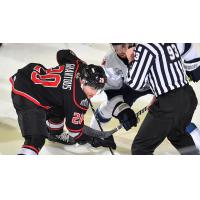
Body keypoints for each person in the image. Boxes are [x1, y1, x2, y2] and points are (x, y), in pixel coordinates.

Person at [10, 49, 107, 155]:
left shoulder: (79, 64)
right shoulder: (77, 99)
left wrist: (70, 70)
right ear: (83, 81)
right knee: (36, 140)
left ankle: (55, 133)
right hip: (27, 94)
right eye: (93, 87)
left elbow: (62, 53)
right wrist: (92, 140)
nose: (94, 92)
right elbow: (75, 132)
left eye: (98, 88)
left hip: (30, 73)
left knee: (61, 103)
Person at [126, 43, 199, 155]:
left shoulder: (145, 47)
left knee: (140, 148)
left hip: (170, 102)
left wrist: (131, 59)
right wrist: (158, 96)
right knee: (177, 135)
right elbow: (166, 74)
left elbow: (135, 83)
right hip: (187, 96)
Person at [90, 43, 150, 133]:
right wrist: (121, 110)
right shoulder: (110, 60)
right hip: (130, 87)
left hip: (154, 84)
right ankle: (93, 134)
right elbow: (113, 91)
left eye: (123, 44)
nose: (120, 50)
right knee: (108, 108)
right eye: (115, 45)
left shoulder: (148, 49)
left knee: (172, 105)